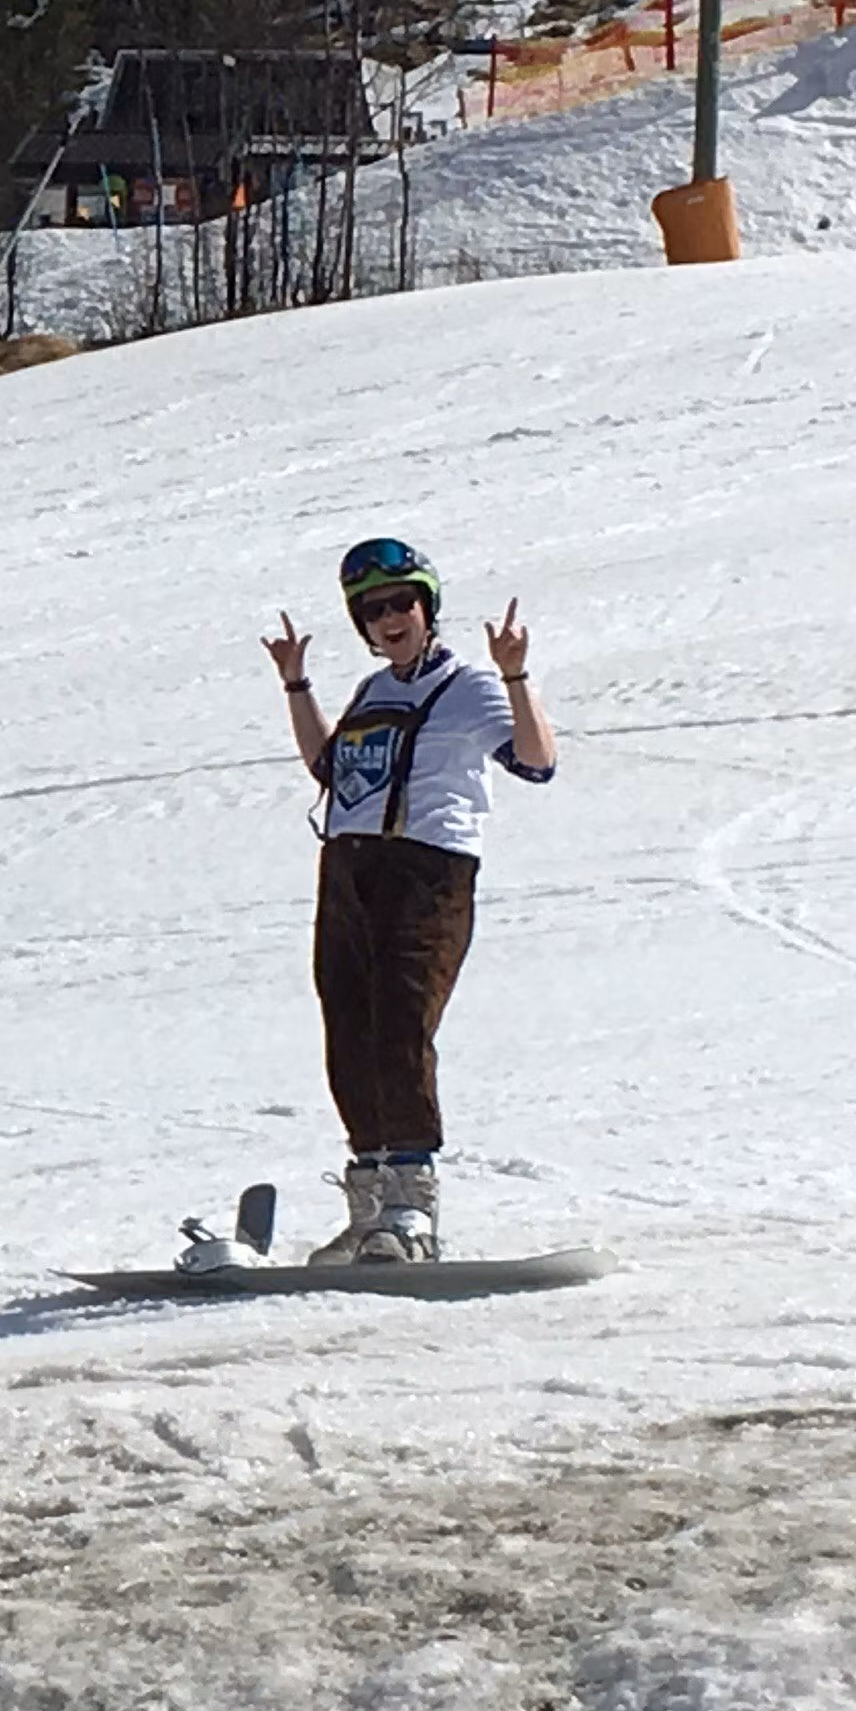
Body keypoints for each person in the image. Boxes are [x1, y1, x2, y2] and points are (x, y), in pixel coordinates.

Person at [262, 537, 560, 1260]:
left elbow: (538, 761)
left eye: (402, 603)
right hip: (348, 871)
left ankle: (412, 1208)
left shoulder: (469, 687)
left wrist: (516, 677)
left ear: (428, 608)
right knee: (350, 1035)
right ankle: (369, 1207)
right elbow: (331, 769)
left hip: (428, 872)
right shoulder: (373, 692)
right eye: (373, 609)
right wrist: (297, 686)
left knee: (401, 1024)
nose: (390, 618)